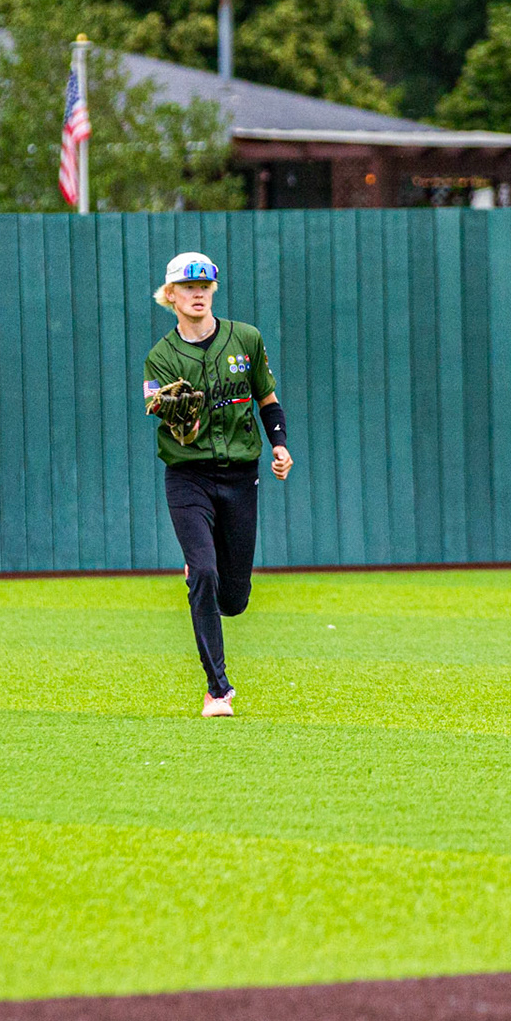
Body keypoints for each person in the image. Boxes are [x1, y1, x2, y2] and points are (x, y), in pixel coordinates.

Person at [142, 252, 293, 717]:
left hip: (240, 477)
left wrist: (280, 445)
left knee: (234, 598)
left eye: (205, 285)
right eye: (188, 287)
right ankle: (217, 690)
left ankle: (203, 576)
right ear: (171, 295)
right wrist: (183, 425)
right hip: (188, 476)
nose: (198, 293)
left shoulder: (245, 339)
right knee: (204, 572)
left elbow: (267, 398)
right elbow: (171, 424)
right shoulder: (161, 358)